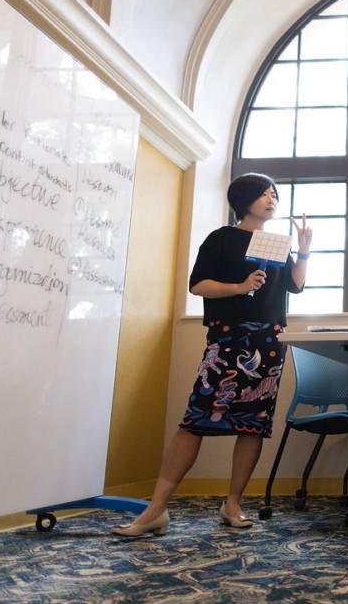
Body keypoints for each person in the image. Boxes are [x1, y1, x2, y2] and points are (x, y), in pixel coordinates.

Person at [112, 173, 312, 536]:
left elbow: (295, 285)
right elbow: (198, 285)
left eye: (275, 195)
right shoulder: (221, 238)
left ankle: (232, 504)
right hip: (227, 339)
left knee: (253, 424)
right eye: (265, 194)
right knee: (195, 421)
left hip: (268, 341)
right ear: (244, 199)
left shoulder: (275, 243)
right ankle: (156, 509)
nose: (272, 200)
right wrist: (240, 286)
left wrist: (303, 249)